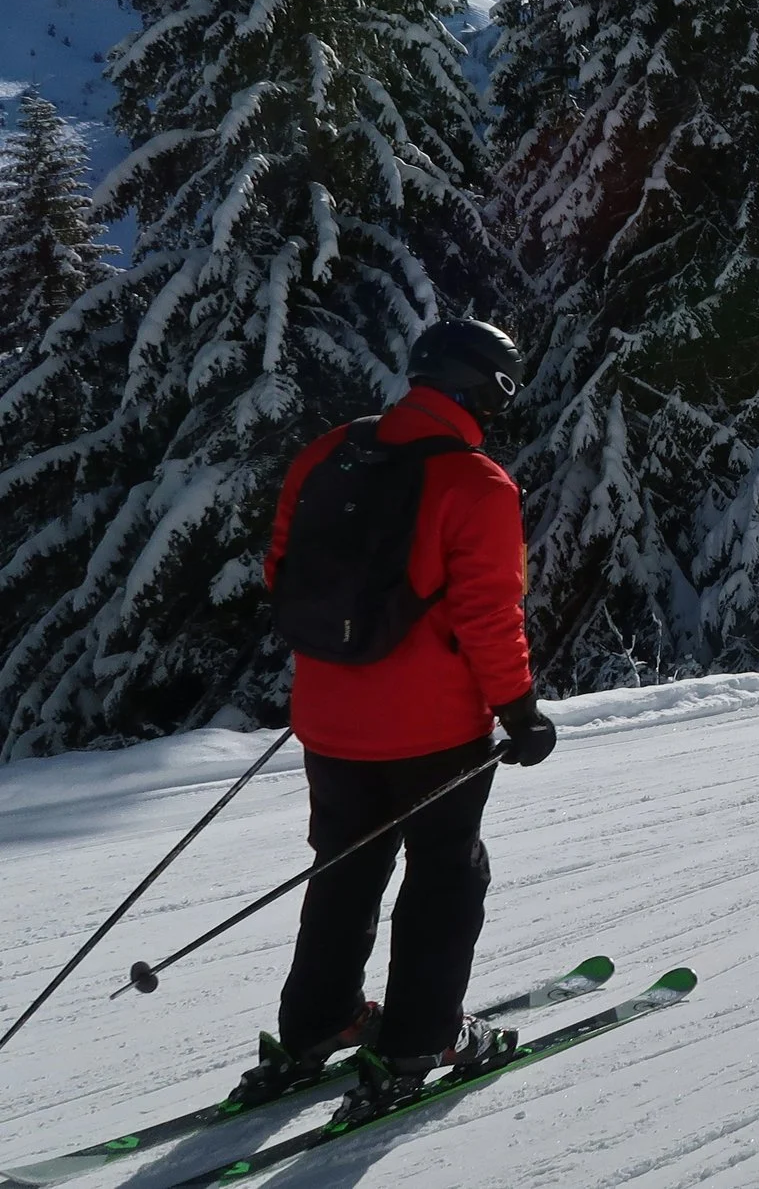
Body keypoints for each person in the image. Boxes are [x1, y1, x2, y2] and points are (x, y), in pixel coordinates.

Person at [235, 319, 557, 1124]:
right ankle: (422, 1038)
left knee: (343, 866)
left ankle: (319, 1021)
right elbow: (490, 613)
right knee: (448, 873)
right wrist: (519, 710)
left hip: (329, 716)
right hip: (432, 730)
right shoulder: (477, 481)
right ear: (483, 385)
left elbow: (282, 567)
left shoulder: (329, 451)